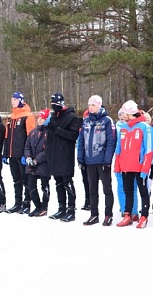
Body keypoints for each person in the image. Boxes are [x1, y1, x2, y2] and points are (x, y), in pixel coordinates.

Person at [77, 95, 116, 226]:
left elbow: (111, 141)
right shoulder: (86, 121)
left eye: (93, 105)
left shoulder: (107, 121)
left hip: (102, 160)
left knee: (107, 189)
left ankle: (108, 214)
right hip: (89, 161)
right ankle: (94, 214)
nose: (90, 107)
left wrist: (107, 161)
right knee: (92, 190)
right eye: (89, 105)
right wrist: (80, 158)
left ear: (99, 105)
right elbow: (81, 140)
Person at [115, 100, 153, 228]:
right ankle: (128, 215)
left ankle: (144, 216)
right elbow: (119, 148)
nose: (122, 115)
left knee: (143, 191)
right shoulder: (123, 127)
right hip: (126, 166)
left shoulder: (144, 127)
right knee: (128, 191)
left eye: (124, 112)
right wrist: (117, 166)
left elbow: (149, 149)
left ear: (130, 113)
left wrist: (145, 168)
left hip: (139, 166)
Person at [46, 92, 82, 222]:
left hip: (65, 154)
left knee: (67, 182)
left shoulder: (71, 117)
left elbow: (73, 136)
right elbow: (50, 137)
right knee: (58, 182)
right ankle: (61, 208)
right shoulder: (53, 117)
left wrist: (57, 129)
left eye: (55, 103)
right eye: (52, 104)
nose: (53, 106)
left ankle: (71, 209)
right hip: (54, 154)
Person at [3, 92, 37, 214]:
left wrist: (27, 154)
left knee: (25, 179)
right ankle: (17, 203)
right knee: (16, 179)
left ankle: (27, 203)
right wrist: (5, 153)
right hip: (12, 153)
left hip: (22, 153)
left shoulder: (27, 116)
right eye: (12, 99)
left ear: (21, 101)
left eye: (15, 100)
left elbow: (31, 136)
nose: (13, 102)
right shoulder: (10, 117)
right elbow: (6, 137)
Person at [24, 109, 52, 217]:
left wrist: (37, 159)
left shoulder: (49, 132)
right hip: (31, 165)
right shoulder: (33, 132)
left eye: (42, 118)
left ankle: (44, 207)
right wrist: (28, 157)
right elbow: (27, 146)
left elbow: (48, 150)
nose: (39, 120)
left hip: (44, 164)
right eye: (39, 118)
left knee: (44, 186)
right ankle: (37, 206)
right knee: (31, 186)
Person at [115, 108, 139, 220]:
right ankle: (124, 208)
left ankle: (134, 210)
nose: (122, 116)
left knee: (133, 187)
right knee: (121, 186)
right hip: (120, 160)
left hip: (132, 161)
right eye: (119, 114)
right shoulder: (117, 127)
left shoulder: (135, 126)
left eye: (123, 114)